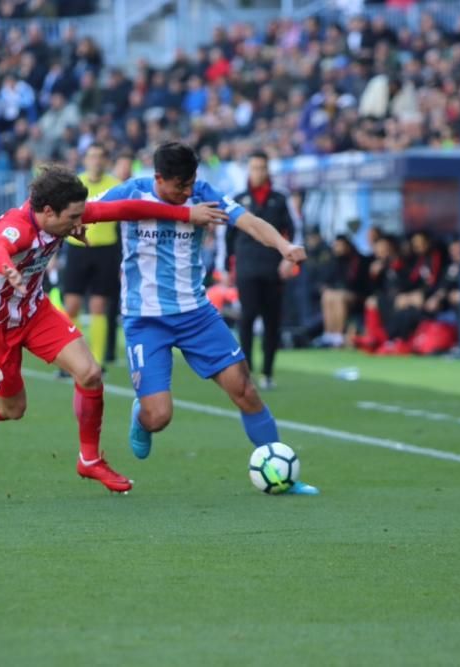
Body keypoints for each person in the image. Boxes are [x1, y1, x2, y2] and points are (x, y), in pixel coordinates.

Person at [0, 165, 228, 493]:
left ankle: (90, 460)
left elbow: (124, 209)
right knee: (13, 408)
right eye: (73, 217)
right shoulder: (18, 228)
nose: (80, 222)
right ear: (48, 211)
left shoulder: (61, 215)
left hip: (34, 312)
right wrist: (8, 270)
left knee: (91, 373)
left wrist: (183, 213)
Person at [97, 142, 319, 495]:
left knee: (244, 388)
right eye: (180, 186)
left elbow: (249, 221)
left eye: (191, 183)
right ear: (158, 178)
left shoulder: (203, 193)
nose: (188, 191)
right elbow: (86, 212)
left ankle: (281, 472)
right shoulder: (130, 192)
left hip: (196, 315)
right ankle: (142, 415)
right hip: (145, 318)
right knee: (159, 417)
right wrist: (74, 231)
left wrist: (283, 246)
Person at [229, 150, 297, 389]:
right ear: (248, 170)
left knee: (272, 321)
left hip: (272, 267)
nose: (259, 172)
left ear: (268, 170)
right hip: (246, 266)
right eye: (255, 167)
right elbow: (227, 236)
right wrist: (226, 265)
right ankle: (245, 370)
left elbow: (294, 229)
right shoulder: (238, 199)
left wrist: (289, 258)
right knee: (247, 317)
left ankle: (268, 372)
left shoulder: (280, 199)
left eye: (262, 168)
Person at [62, 143, 122, 368]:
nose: (95, 161)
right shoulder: (75, 184)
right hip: (77, 248)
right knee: (71, 305)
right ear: (85, 160)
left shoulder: (115, 186)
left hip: (105, 251)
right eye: (92, 156)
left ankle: (96, 362)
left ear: (106, 161)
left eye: (100, 157)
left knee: (98, 306)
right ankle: (72, 361)